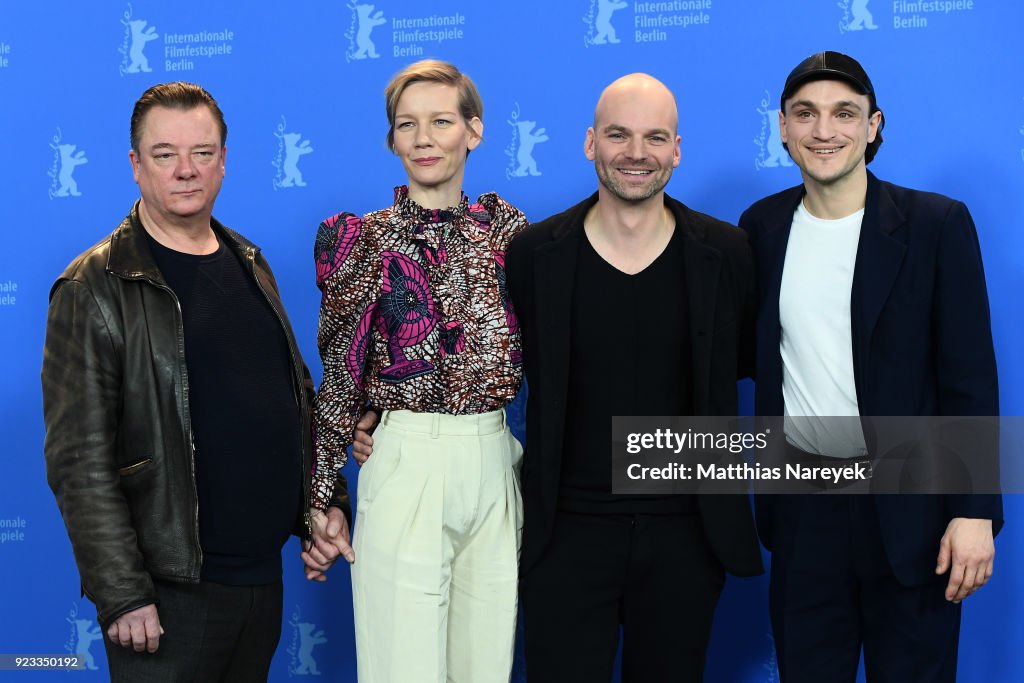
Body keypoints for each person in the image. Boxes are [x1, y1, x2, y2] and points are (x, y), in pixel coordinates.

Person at [41, 81, 340, 682]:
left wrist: (321, 505)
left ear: (224, 161)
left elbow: (291, 403)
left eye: (202, 152)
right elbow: (79, 461)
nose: (185, 170)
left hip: (260, 582)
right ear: (135, 165)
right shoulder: (94, 286)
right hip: (167, 598)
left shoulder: (248, 261)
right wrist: (122, 592)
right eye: (164, 154)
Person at [739, 51, 1001, 682]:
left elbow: (970, 376)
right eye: (806, 113)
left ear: (873, 125)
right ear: (782, 127)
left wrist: (974, 511)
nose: (823, 130)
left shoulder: (936, 224)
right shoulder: (761, 229)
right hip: (804, 509)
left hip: (915, 515)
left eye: (843, 113)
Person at [505, 73, 762, 682]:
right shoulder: (534, 254)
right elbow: (487, 367)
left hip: (688, 536)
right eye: (619, 135)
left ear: (678, 149)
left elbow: (750, 367)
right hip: (564, 533)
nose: (637, 153)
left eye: (655, 137)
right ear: (590, 142)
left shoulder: (727, 254)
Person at [306, 59, 528, 683]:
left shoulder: (513, 237)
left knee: (485, 667)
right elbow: (343, 375)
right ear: (392, 140)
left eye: (440, 121)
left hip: (493, 458)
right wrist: (321, 498)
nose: (424, 138)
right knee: (402, 668)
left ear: (473, 131)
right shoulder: (363, 241)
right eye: (407, 125)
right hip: (404, 459)